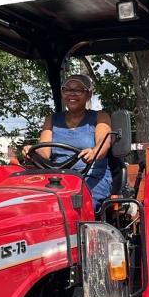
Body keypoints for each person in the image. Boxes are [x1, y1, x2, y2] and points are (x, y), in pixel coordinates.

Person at [26, 74, 113, 209]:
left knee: (77, 206)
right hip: (58, 179)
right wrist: (32, 149)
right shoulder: (51, 119)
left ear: (88, 95)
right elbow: (44, 152)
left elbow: (104, 142)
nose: (72, 94)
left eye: (78, 90)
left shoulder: (100, 116)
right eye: (67, 90)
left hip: (90, 176)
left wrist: (94, 152)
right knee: (36, 206)